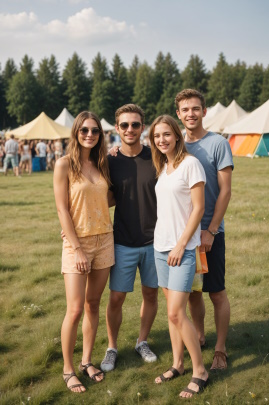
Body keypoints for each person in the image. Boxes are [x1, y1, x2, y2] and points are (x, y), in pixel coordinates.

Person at [53, 111, 115, 393]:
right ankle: (68, 369)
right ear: (75, 133)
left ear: (100, 135)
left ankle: (87, 361)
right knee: (75, 308)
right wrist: (77, 248)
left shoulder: (102, 164)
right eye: (84, 130)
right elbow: (62, 208)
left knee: (93, 305)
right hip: (77, 244)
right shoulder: (64, 165)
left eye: (95, 131)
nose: (89, 135)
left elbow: (107, 198)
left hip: (105, 240)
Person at [149, 115, 208, 398]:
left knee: (176, 312)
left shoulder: (190, 164)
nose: (162, 140)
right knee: (172, 315)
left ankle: (200, 370)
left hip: (182, 249)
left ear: (177, 135)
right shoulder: (163, 166)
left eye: (166, 134)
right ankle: (178, 364)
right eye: (157, 136)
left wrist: (181, 245)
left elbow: (198, 208)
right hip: (160, 248)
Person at [175, 89, 233, 371]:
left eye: (195, 108)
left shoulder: (218, 143)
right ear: (178, 114)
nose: (190, 114)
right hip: (185, 235)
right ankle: (200, 336)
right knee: (193, 293)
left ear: (204, 111)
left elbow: (225, 192)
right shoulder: (175, 145)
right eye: (185, 110)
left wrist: (210, 230)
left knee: (217, 292)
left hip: (210, 234)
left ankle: (220, 350)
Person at [100, 104, 158, 372]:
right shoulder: (109, 161)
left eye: (135, 124)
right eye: (125, 125)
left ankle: (142, 342)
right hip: (122, 241)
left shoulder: (157, 157)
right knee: (116, 298)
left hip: (155, 241)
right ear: (117, 129)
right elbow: (95, 196)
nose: (130, 129)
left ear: (143, 127)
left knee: (150, 293)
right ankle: (111, 347)